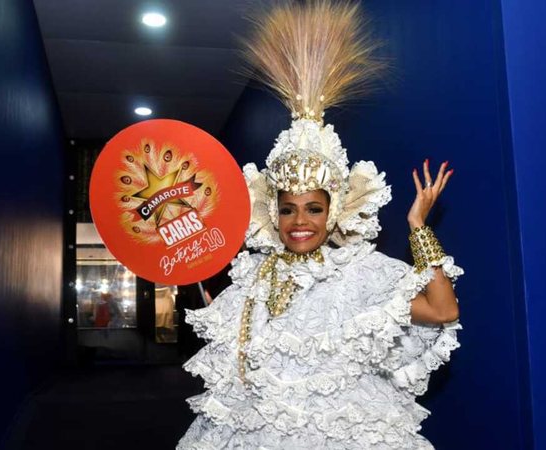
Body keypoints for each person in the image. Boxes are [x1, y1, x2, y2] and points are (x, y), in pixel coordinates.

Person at [177, 2, 463, 448]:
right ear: (274, 214)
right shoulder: (255, 273)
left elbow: (444, 312)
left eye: (313, 209)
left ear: (333, 213)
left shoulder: (357, 273)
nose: (299, 223)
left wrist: (418, 226)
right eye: (288, 209)